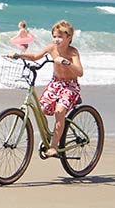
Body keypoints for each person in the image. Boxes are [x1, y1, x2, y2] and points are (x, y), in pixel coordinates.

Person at [11, 19, 83, 158]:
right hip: (55, 84)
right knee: (41, 109)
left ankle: (54, 146)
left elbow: (80, 72)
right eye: (55, 36)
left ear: (69, 38)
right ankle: (50, 135)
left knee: (59, 111)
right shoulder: (51, 48)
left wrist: (66, 62)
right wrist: (19, 55)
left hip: (70, 86)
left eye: (60, 37)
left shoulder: (73, 52)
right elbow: (35, 56)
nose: (56, 39)